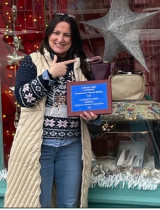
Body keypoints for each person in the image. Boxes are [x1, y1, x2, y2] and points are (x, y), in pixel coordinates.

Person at [5, 13, 101, 208]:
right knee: (38, 202)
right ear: (49, 34)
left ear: (72, 39)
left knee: (70, 202)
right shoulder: (32, 62)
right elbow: (23, 98)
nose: (61, 39)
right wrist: (49, 75)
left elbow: (93, 104)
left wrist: (94, 116)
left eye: (67, 35)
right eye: (56, 33)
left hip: (71, 146)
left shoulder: (80, 66)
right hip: (39, 147)